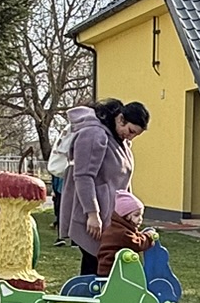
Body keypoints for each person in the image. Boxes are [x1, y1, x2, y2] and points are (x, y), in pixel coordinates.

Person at [61, 97, 148, 277]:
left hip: (110, 218)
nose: (130, 137)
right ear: (120, 119)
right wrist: (92, 214)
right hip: (94, 216)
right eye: (130, 131)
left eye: (135, 135)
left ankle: (99, 294)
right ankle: (87, 295)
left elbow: (123, 182)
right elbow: (83, 176)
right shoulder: (94, 134)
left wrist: (130, 213)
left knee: (103, 266)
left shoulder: (120, 142)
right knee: (94, 265)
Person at [96, 190, 156, 276]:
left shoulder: (115, 229)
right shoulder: (122, 233)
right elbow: (137, 244)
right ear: (126, 216)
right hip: (115, 271)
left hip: (107, 269)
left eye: (141, 215)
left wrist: (141, 235)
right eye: (136, 215)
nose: (140, 219)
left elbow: (134, 237)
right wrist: (149, 237)